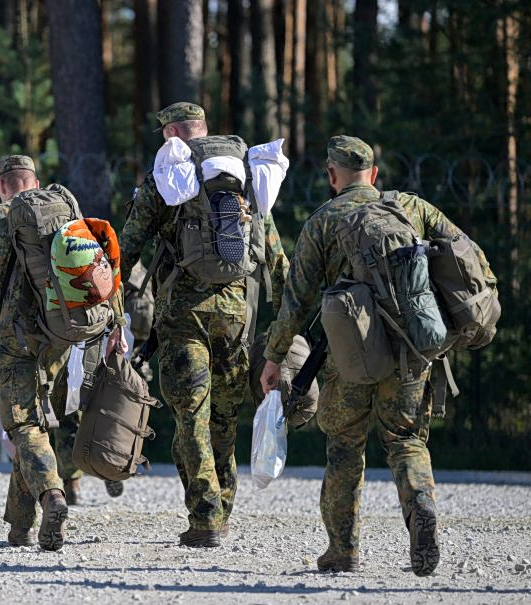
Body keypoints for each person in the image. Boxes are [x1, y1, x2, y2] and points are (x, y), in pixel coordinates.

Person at [259, 135, 495, 576]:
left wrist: (275, 359)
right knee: (406, 440)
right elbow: (470, 258)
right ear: (375, 175)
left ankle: (342, 550)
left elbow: (296, 299)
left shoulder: (323, 221)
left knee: (344, 447)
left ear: (332, 175)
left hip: (348, 357)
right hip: (411, 349)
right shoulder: (411, 207)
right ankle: (420, 504)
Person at [120, 102, 289, 547]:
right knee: (224, 418)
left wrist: (111, 304)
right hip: (237, 317)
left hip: (182, 317)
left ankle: (206, 516)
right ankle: (223, 507)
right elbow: (273, 254)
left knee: (191, 415)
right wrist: (294, 317)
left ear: (173, 131)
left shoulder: (168, 175)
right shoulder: (245, 175)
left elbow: (129, 248)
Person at [0, 155, 69, 550]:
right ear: (34, 181)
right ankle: (20, 528)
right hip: (60, 336)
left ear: (2, 186)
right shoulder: (63, 209)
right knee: (33, 419)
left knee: (21, 425)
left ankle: (51, 492)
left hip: (14, 339)